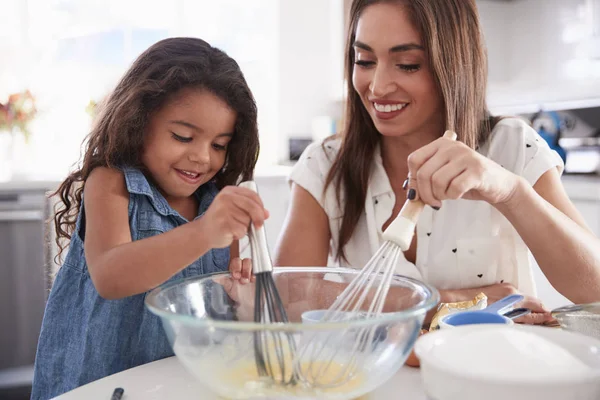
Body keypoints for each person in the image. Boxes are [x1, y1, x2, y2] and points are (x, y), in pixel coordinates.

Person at [272, 0, 600, 323]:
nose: (378, 86)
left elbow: (595, 288)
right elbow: (287, 297)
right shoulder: (325, 164)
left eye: (408, 64)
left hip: (497, 367)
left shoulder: (511, 147)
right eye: (365, 60)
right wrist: (443, 302)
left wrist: (510, 192)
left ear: (453, 64)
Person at [31, 37, 267, 399]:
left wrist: (242, 294)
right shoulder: (111, 183)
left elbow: (224, 320)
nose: (203, 157)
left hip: (181, 386)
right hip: (98, 385)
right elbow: (111, 276)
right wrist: (205, 232)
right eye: (183, 136)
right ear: (139, 121)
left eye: (219, 145)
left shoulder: (217, 206)